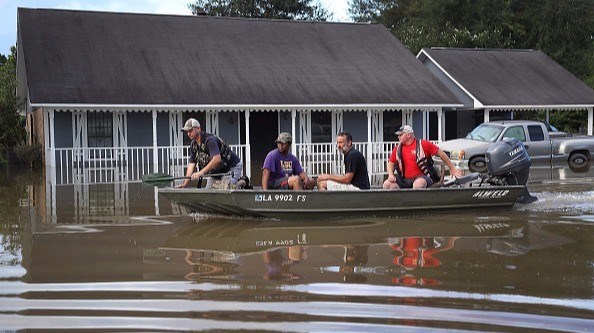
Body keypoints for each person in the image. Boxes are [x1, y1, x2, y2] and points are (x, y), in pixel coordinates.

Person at [383, 125, 463, 190]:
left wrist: (453, 169)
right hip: (404, 179)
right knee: (387, 184)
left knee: (418, 184)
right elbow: (391, 164)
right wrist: (391, 174)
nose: (398, 137)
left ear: (408, 135)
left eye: (401, 135)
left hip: (422, 177)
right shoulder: (397, 149)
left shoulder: (423, 144)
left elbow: (442, 154)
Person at [178, 118, 243, 188]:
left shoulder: (210, 141)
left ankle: (242, 182)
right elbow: (191, 164)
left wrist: (201, 172)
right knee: (208, 192)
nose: (188, 133)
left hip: (231, 167)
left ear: (198, 129)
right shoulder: (194, 145)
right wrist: (185, 183)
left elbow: (217, 159)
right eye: (187, 131)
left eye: (190, 130)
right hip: (216, 172)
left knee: (225, 189)